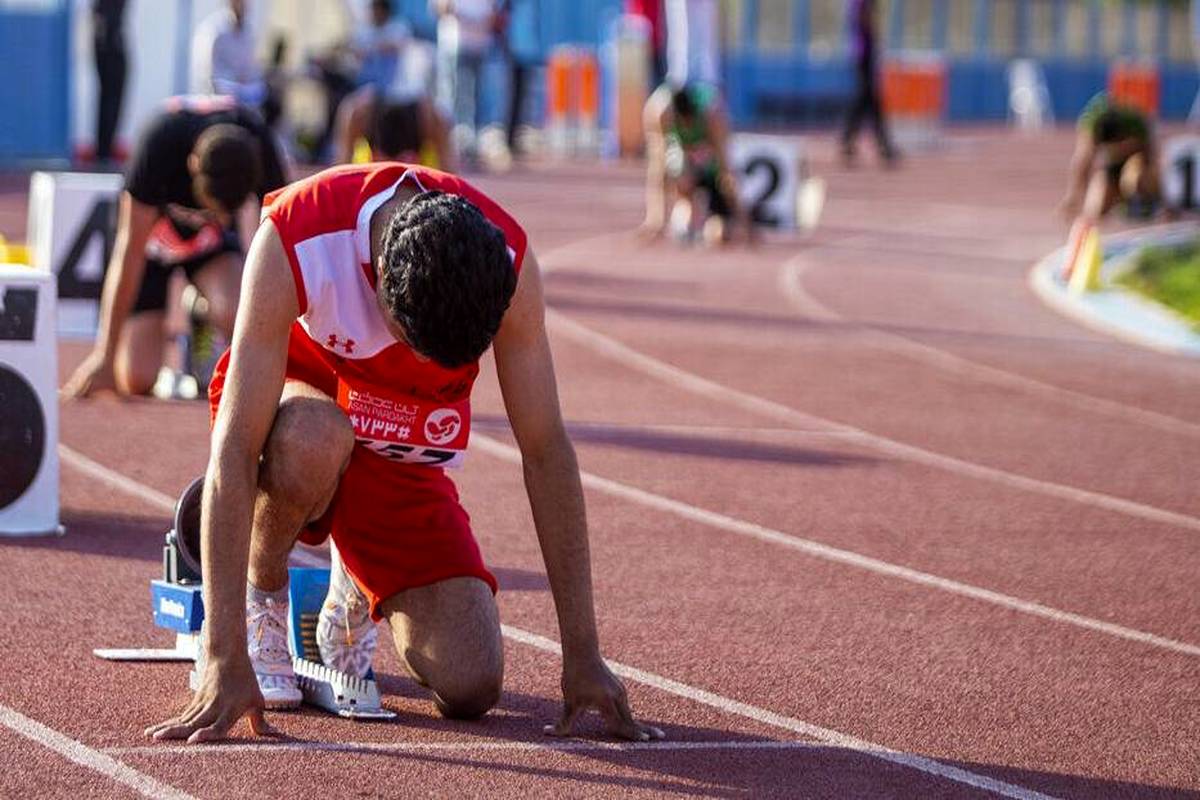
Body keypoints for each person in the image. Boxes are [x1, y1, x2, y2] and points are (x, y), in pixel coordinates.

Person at [142, 162, 665, 743]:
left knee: (472, 684)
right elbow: (236, 448)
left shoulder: (508, 265)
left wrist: (583, 652)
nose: (423, 370)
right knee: (316, 437)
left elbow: (545, 450)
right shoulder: (299, 234)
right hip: (296, 412)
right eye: (418, 347)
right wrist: (221, 651)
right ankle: (263, 596)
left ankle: (351, 583)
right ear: (382, 275)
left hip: (398, 446)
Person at [63, 96, 288, 398]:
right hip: (150, 247)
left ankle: (202, 313)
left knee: (241, 313)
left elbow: (285, 247)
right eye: (214, 207)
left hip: (209, 247)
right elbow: (128, 252)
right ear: (192, 166)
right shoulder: (158, 144)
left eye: (227, 212)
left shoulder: (260, 146)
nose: (220, 216)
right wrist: (105, 355)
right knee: (136, 379)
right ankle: (132, 354)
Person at [642, 83, 745, 244]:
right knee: (679, 171)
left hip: (710, 169)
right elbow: (658, 167)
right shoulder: (660, 114)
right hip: (683, 163)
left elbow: (726, 168)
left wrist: (743, 217)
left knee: (719, 235)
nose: (687, 128)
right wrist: (655, 219)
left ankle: (707, 221)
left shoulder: (712, 116)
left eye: (689, 124)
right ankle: (685, 212)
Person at [1059, 92, 1160, 225]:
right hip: (1110, 169)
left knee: (1136, 177)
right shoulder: (1091, 123)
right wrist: (1073, 196)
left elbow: (1151, 159)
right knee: (1093, 212)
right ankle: (1117, 200)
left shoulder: (1135, 122)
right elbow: (1083, 161)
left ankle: (1142, 203)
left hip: (1135, 164)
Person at [432, 0, 500, 158]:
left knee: (481, 96)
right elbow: (440, 8)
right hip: (456, 45)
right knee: (456, 95)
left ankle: (476, 143)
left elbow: (494, 14)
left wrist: (478, 17)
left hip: (481, 45)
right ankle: (456, 142)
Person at [840, 0, 896, 166]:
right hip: (864, 51)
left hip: (862, 50)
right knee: (867, 97)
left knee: (869, 99)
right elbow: (863, 17)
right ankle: (881, 145)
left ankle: (881, 144)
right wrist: (877, 38)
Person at [92, 0, 128, 166]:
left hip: (109, 35)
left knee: (111, 97)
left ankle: (105, 151)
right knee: (111, 97)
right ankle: (104, 152)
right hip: (110, 38)